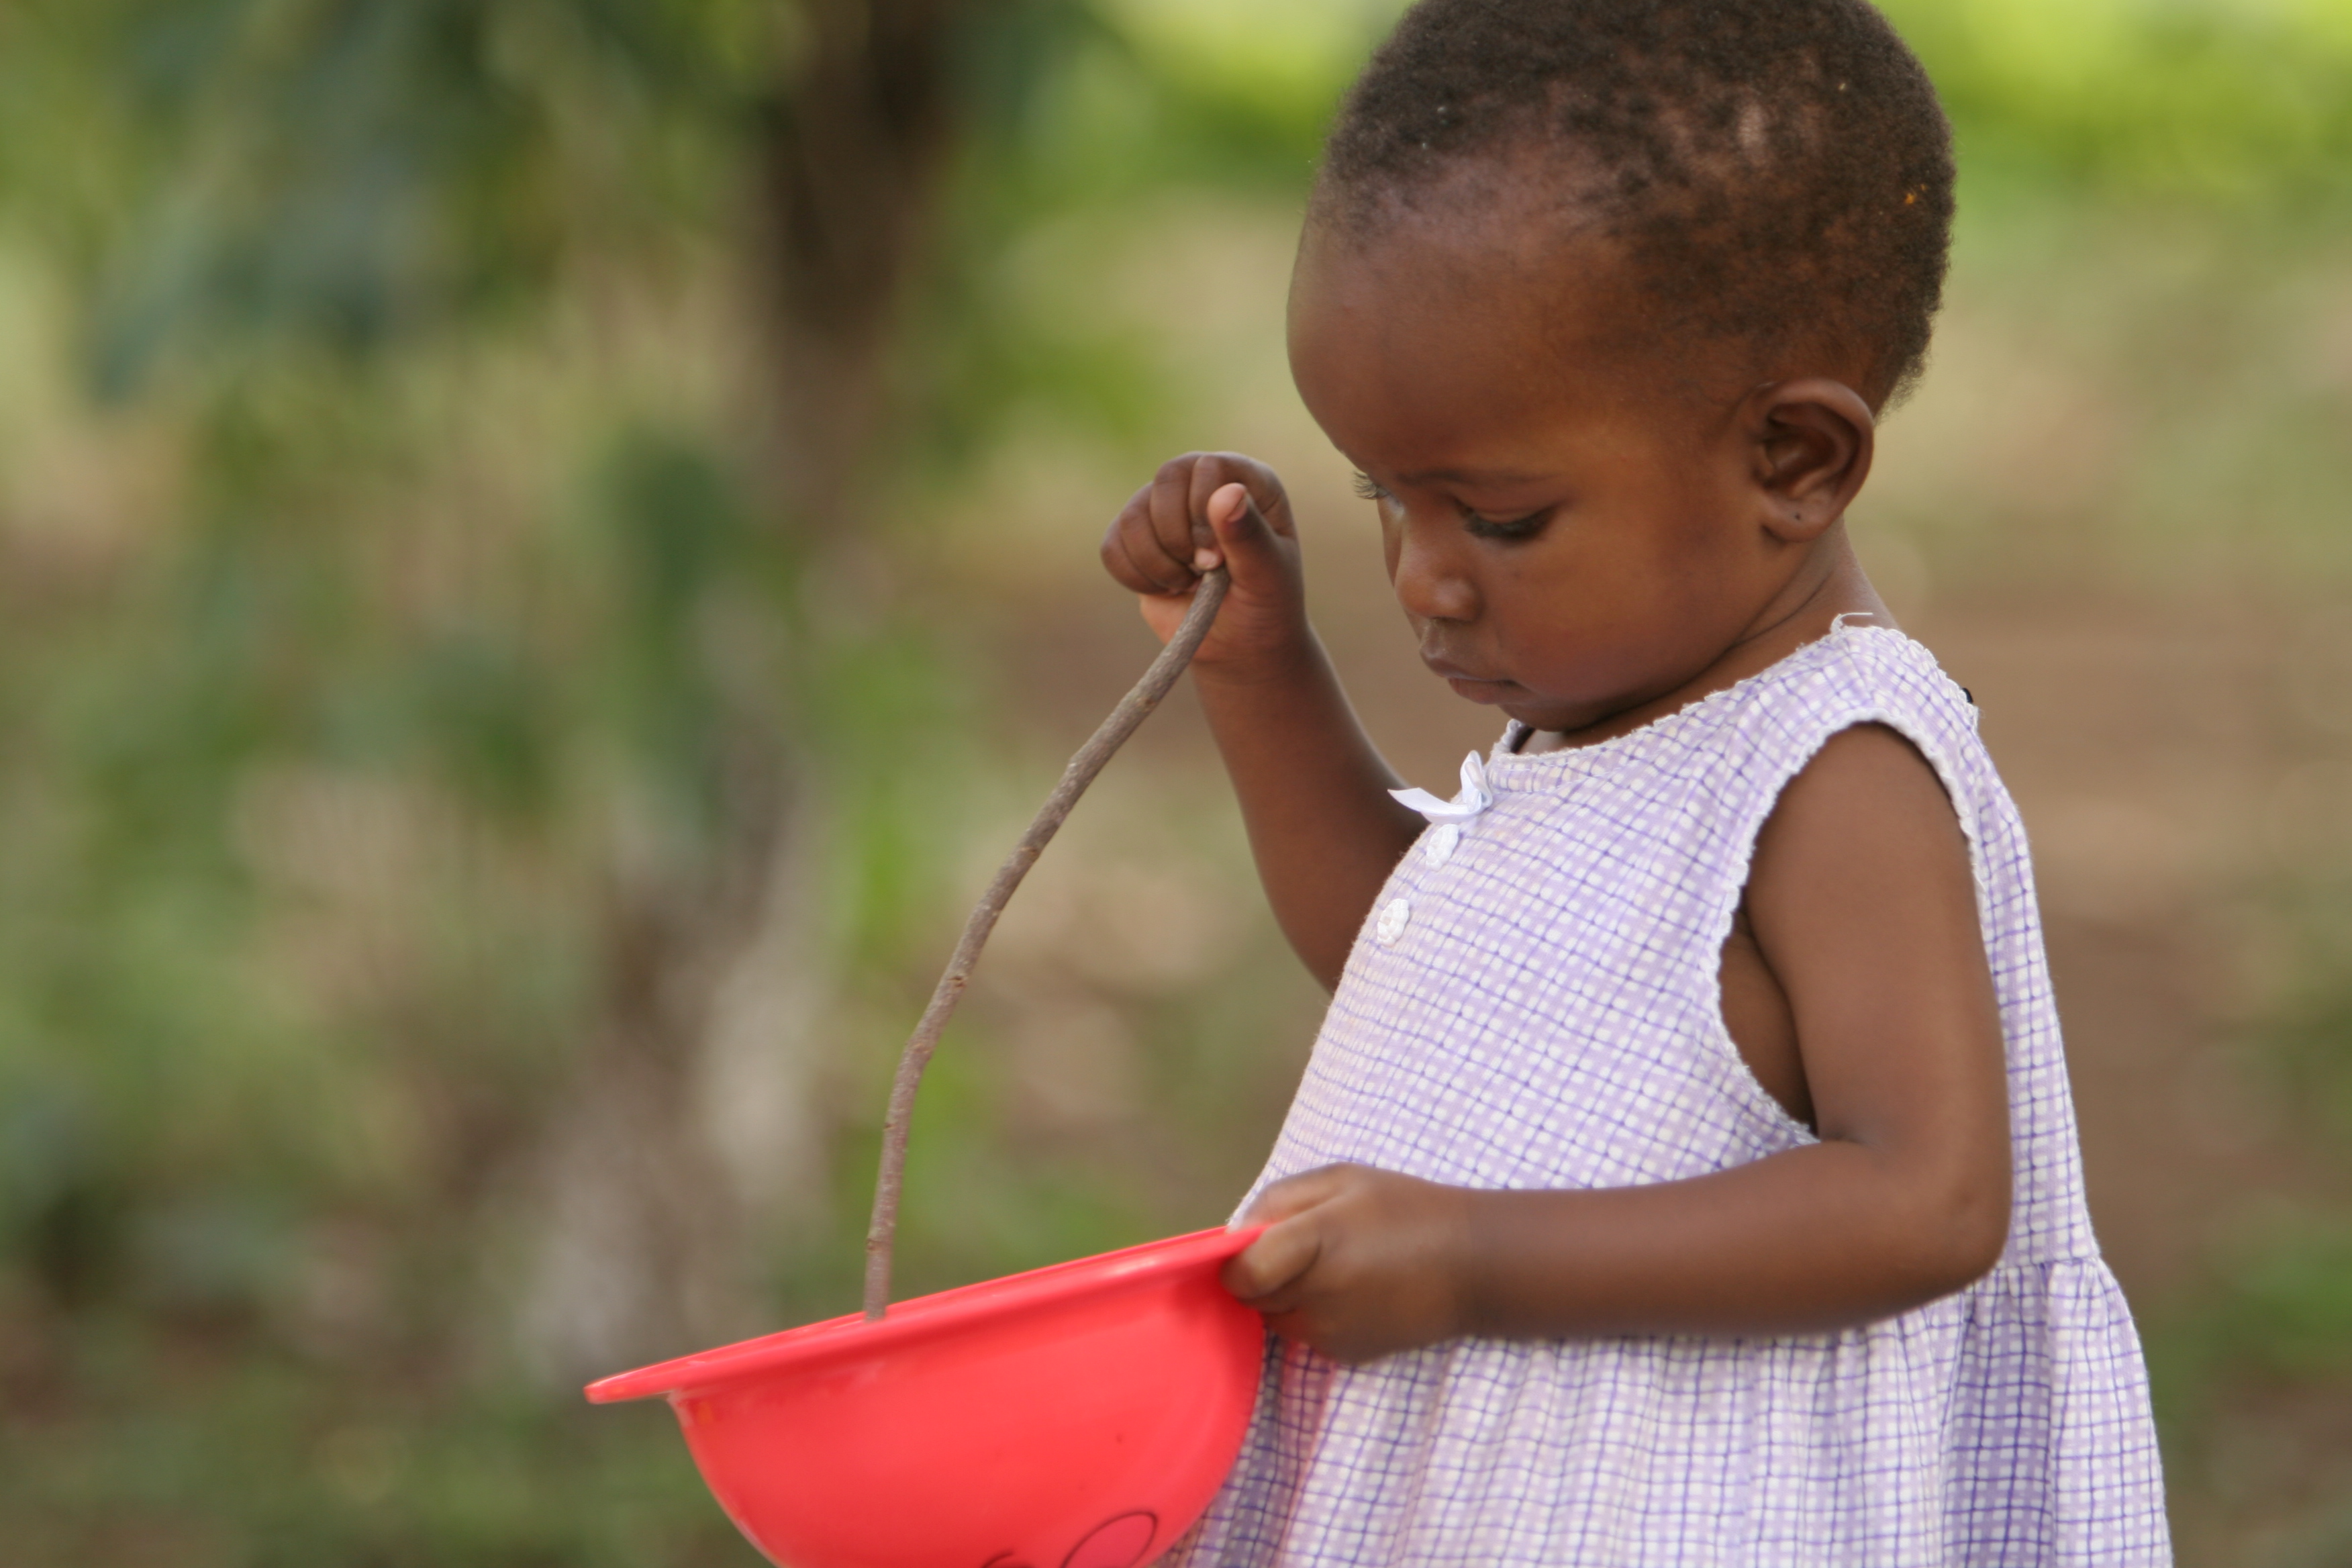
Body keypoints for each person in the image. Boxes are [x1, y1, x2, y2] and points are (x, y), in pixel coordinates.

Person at [1097, 1, 2171, 1563]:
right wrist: (1260, 669)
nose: (1421, 579)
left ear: (1794, 462)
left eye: (1500, 519)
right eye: (1387, 496)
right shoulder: (1599, 716)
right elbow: (1431, 976)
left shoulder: (1835, 767)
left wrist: (1475, 1259)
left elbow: (1928, 1200)